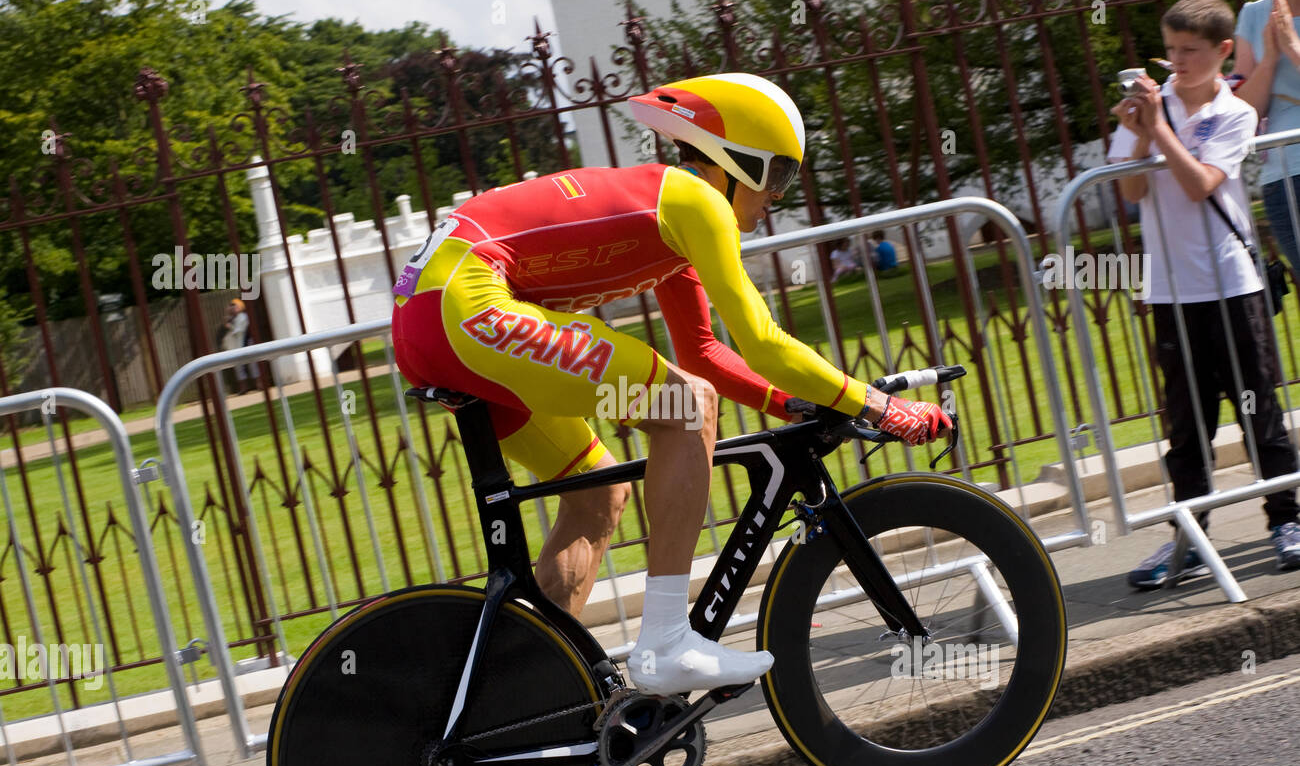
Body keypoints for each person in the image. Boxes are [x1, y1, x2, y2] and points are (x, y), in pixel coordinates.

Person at [390, 73, 951, 695]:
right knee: (686, 406)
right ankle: (664, 643)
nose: (775, 203)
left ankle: (521, 692)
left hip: (432, 321)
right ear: (738, 160)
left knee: (598, 496)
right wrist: (881, 407)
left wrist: (788, 402)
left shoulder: (669, 214)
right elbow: (762, 341)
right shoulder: (697, 201)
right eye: (779, 179)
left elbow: (706, 353)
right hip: (464, 307)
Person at [1108, 0, 1300, 587]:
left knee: (1259, 412)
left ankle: (1286, 520)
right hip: (1171, 292)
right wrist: (1141, 135)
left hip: (1231, 286)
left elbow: (1200, 185)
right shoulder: (1146, 110)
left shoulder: (1234, 111)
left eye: (1190, 51)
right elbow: (1133, 192)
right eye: (1169, 51)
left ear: (1222, 51)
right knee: (1186, 427)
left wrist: (1160, 129)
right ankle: (1189, 537)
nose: (1177, 63)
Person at [1234, 0, 1300, 278]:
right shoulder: (1254, 13)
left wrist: (1292, 46)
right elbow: (1243, 112)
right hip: (1283, 176)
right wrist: (1270, 59)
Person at [220, 298, 252, 395]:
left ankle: (259, 385)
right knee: (239, 367)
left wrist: (229, 326)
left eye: (234, 306)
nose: (232, 308)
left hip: (246, 343)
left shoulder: (242, 316)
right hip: (239, 345)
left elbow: (238, 331)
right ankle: (244, 388)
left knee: (253, 365)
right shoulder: (234, 318)